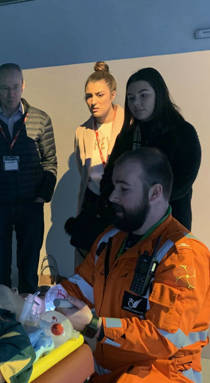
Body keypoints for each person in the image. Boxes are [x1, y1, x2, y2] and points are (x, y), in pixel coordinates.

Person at [59, 147, 210, 382]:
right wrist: (40, 301)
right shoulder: (110, 240)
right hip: (110, 368)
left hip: (164, 374)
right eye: (114, 186)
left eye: (124, 189)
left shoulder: (184, 256)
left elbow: (163, 338)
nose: (112, 197)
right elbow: (78, 289)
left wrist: (95, 325)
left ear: (155, 193)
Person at [0, 63, 57, 293]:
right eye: (5, 88)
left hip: (30, 205)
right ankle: (1, 317)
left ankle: (27, 319)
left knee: (28, 270)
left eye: (15, 87)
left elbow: (50, 161)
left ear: (23, 85)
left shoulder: (40, 119)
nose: (11, 94)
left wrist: (42, 196)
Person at [100, 67, 201, 230]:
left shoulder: (182, 132)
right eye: (131, 98)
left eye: (143, 95)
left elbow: (182, 183)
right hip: (131, 224)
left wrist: (141, 202)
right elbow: (110, 178)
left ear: (158, 94)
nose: (136, 103)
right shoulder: (128, 136)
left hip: (171, 222)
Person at [65, 61, 124, 261]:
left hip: (121, 203)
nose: (93, 101)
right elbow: (84, 173)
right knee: (88, 264)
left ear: (113, 95)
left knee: (119, 262)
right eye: (88, 96)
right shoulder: (82, 131)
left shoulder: (129, 124)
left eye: (100, 95)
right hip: (93, 204)